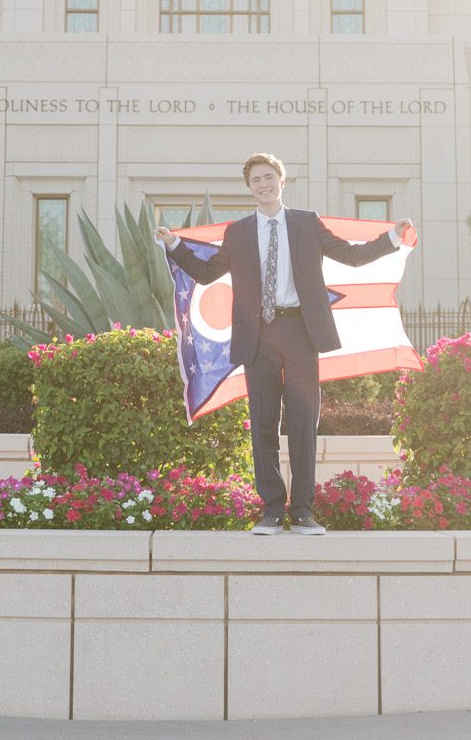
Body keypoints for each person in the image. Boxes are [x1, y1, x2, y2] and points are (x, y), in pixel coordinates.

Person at [157, 152, 414, 535]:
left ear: (281, 180)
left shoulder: (306, 224)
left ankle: (304, 511)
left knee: (303, 424)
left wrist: (391, 238)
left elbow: (352, 256)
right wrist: (176, 245)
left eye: (268, 177)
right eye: (256, 180)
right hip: (257, 335)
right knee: (262, 425)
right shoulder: (239, 232)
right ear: (249, 189)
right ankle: (272, 511)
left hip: (299, 332)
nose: (263, 185)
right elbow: (209, 274)